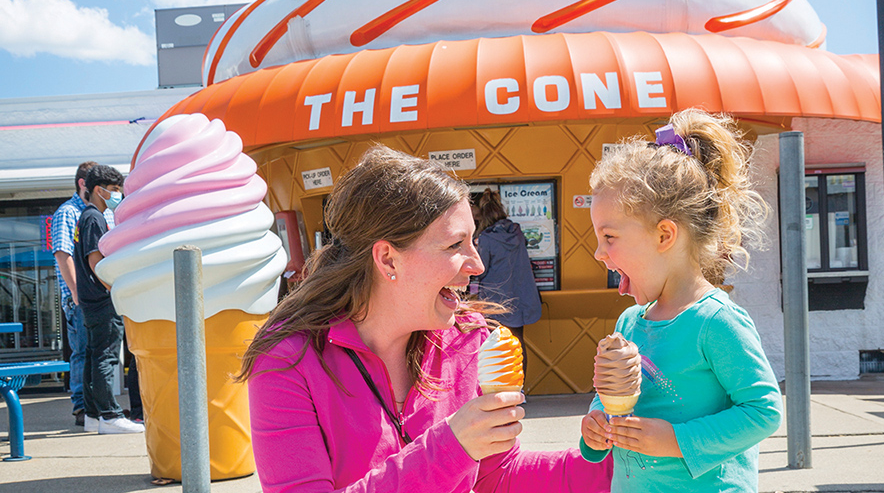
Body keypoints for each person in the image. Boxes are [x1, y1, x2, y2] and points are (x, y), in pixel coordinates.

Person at [240, 146, 611, 492]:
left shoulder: (468, 339)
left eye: (474, 242)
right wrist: (451, 446)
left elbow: (497, 477)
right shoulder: (288, 361)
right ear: (387, 259)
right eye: (454, 246)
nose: (477, 265)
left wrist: (628, 459)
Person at [579, 109, 782, 492]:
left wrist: (676, 441)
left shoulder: (716, 322)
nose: (598, 252)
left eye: (609, 237)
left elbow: (764, 411)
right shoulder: (629, 323)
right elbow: (612, 399)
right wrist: (595, 426)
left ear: (664, 235)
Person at [74, 164, 144, 435]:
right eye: (114, 190)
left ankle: (93, 414)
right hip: (102, 299)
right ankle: (110, 415)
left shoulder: (87, 217)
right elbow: (96, 261)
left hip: (90, 299)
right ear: (98, 190)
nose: (117, 195)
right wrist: (115, 289)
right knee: (106, 356)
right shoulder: (94, 218)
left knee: (94, 355)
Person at [472, 188, 542, 377]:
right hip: (519, 298)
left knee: (494, 344)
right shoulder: (516, 232)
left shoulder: (486, 238)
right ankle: (519, 389)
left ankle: (499, 386)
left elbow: (480, 269)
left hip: (495, 301)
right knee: (518, 343)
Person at [51, 161, 98, 425]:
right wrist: (77, 294)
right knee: (82, 351)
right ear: (83, 184)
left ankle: (96, 405)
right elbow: (62, 254)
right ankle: (81, 407)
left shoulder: (97, 211)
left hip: (100, 296)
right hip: (81, 298)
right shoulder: (68, 212)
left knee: (98, 352)